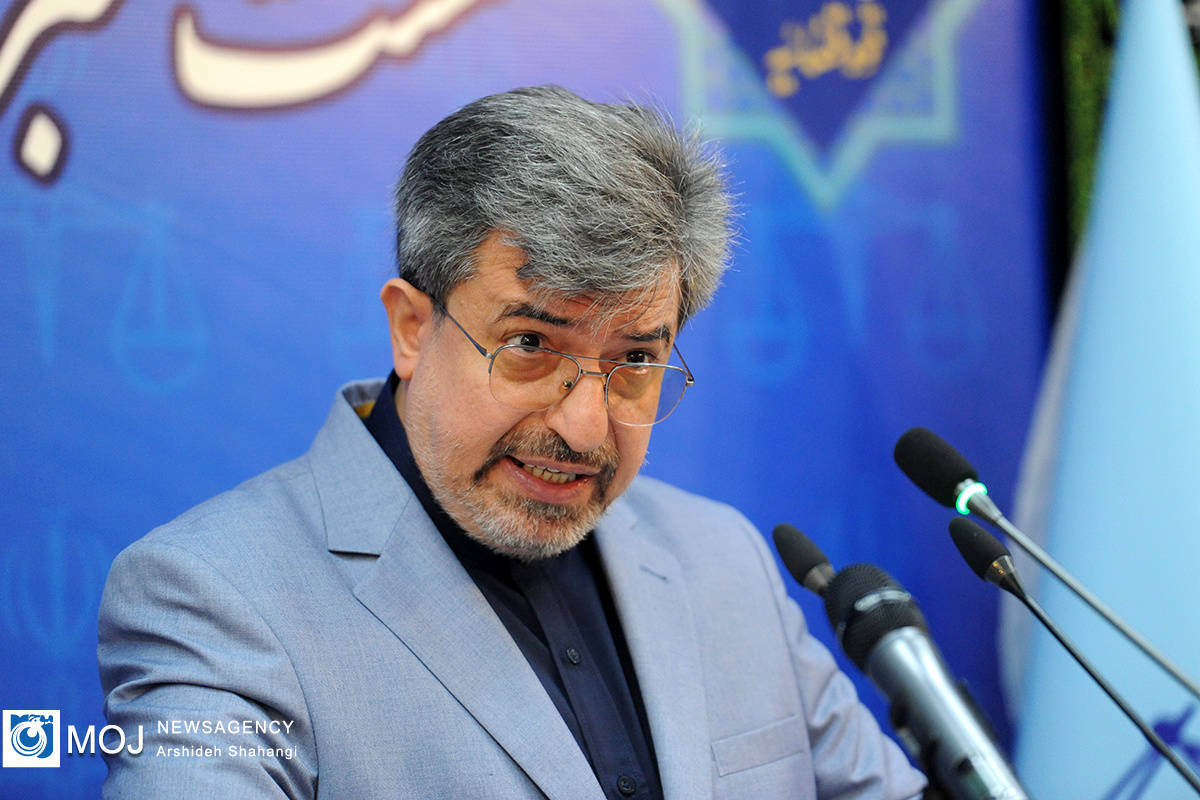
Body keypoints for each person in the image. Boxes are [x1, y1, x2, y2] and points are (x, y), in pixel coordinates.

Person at [98, 85, 926, 799]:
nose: (584, 427)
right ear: (411, 328)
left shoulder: (723, 560)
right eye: (531, 345)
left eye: (636, 361)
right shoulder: (214, 600)